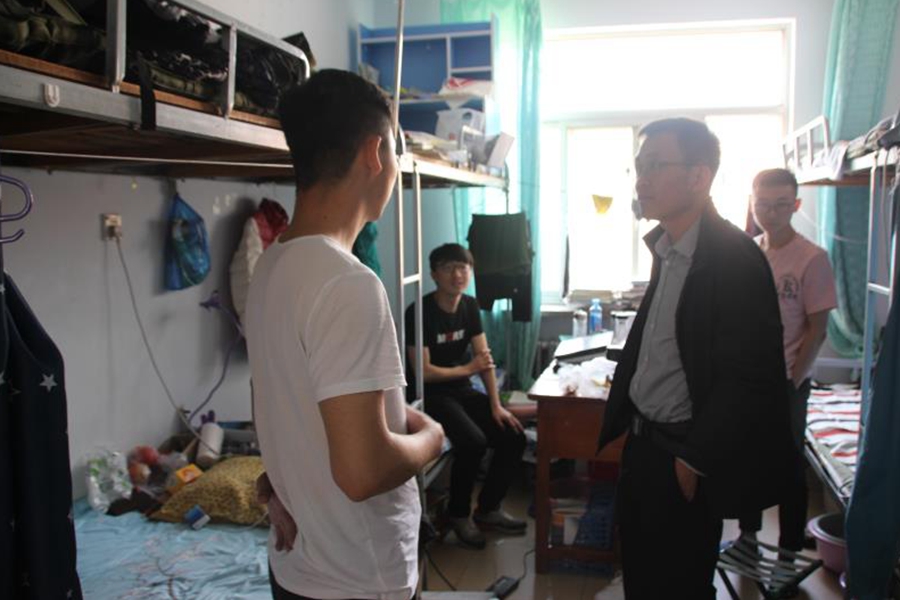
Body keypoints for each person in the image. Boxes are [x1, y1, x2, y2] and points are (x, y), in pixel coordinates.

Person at [245, 69, 445, 600]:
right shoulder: (348, 283)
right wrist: (431, 438)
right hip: (358, 577)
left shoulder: (271, 266)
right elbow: (362, 473)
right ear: (375, 153)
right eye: (397, 152)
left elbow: (276, 402)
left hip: (296, 566)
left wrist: (278, 483)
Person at [596, 118, 796, 599]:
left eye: (655, 166)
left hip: (682, 454)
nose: (642, 180)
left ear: (698, 177)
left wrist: (694, 459)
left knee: (680, 584)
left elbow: (748, 377)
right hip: (645, 447)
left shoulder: (733, 258)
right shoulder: (667, 247)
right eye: (639, 167)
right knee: (642, 579)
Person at [404, 243, 527, 550]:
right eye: (448, 268)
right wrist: (468, 369)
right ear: (434, 274)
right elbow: (423, 372)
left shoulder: (469, 306)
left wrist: (496, 405)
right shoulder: (419, 312)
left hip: (461, 389)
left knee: (513, 435)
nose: (457, 275)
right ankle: (459, 514)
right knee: (473, 442)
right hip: (431, 394)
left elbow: (484, 359)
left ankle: (488, 509)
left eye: (463, 268)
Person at [740, 168, 838, 553]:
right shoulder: (749, 252)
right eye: (763, 204)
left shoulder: (812, 258)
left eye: (781, 205)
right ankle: (747, 537)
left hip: (786, 379)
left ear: (796, 205)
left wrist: (793, 381)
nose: (771, 213)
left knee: (788, 467)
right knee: (746, 460)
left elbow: (818, 329)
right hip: (748, 378)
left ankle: (789, 547)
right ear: (752, 203)